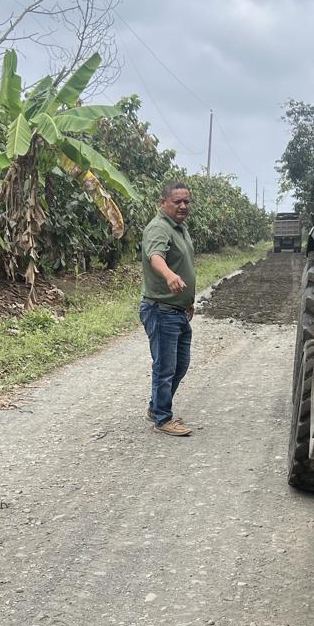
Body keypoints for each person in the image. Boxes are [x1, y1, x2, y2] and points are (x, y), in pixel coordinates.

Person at [139, 181, 196, 436]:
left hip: (177, 310)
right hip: (161, 310)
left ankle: (156, 408)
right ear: (163, 203)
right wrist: (169, 275)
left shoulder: (179, 228)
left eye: (186, 201)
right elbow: (156, 257)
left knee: (180, 364)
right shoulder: (159, 228)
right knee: (165, 367)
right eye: (177, 201)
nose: (183, 206)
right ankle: (162, 418)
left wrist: (188, 301)